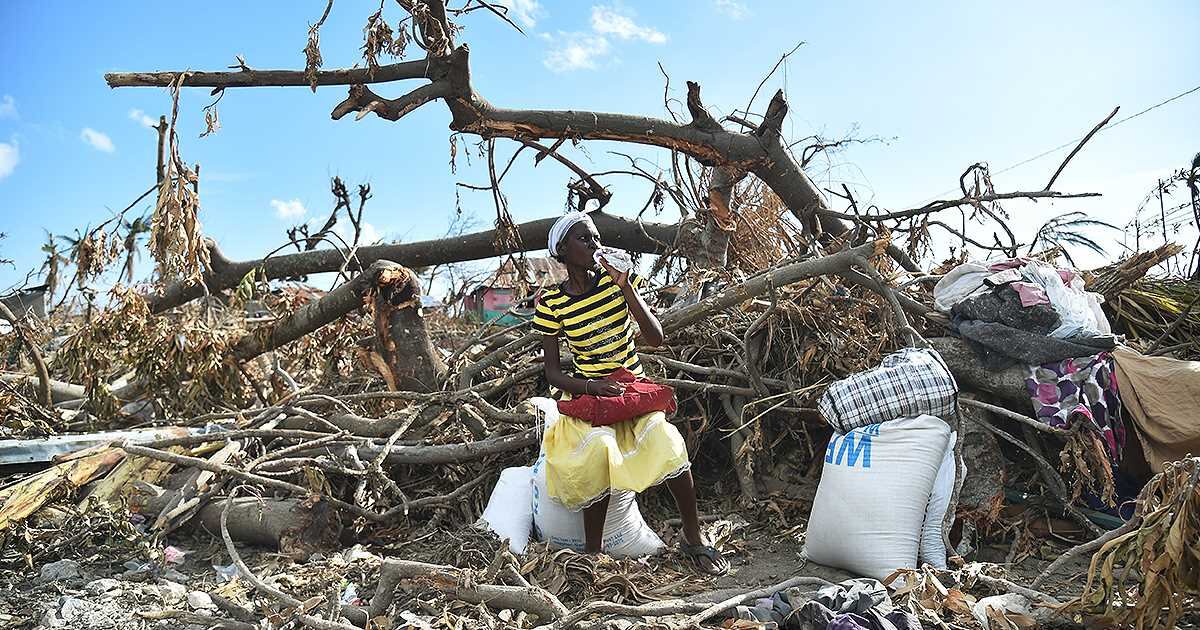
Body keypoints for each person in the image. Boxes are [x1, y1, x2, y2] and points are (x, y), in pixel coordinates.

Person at [532, 211, 729, 575]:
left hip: (633, 391)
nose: (594, 245)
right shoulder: (552, 303)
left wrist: (626, 288)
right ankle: (593, 554)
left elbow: (655, 338)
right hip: (593, 398)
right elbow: (553, 373)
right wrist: (594, 386)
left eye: (595, 237)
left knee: (669, 443)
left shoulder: (617, 283)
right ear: (562, 249)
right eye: (584, 239)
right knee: (598, 453)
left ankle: (693, 538)